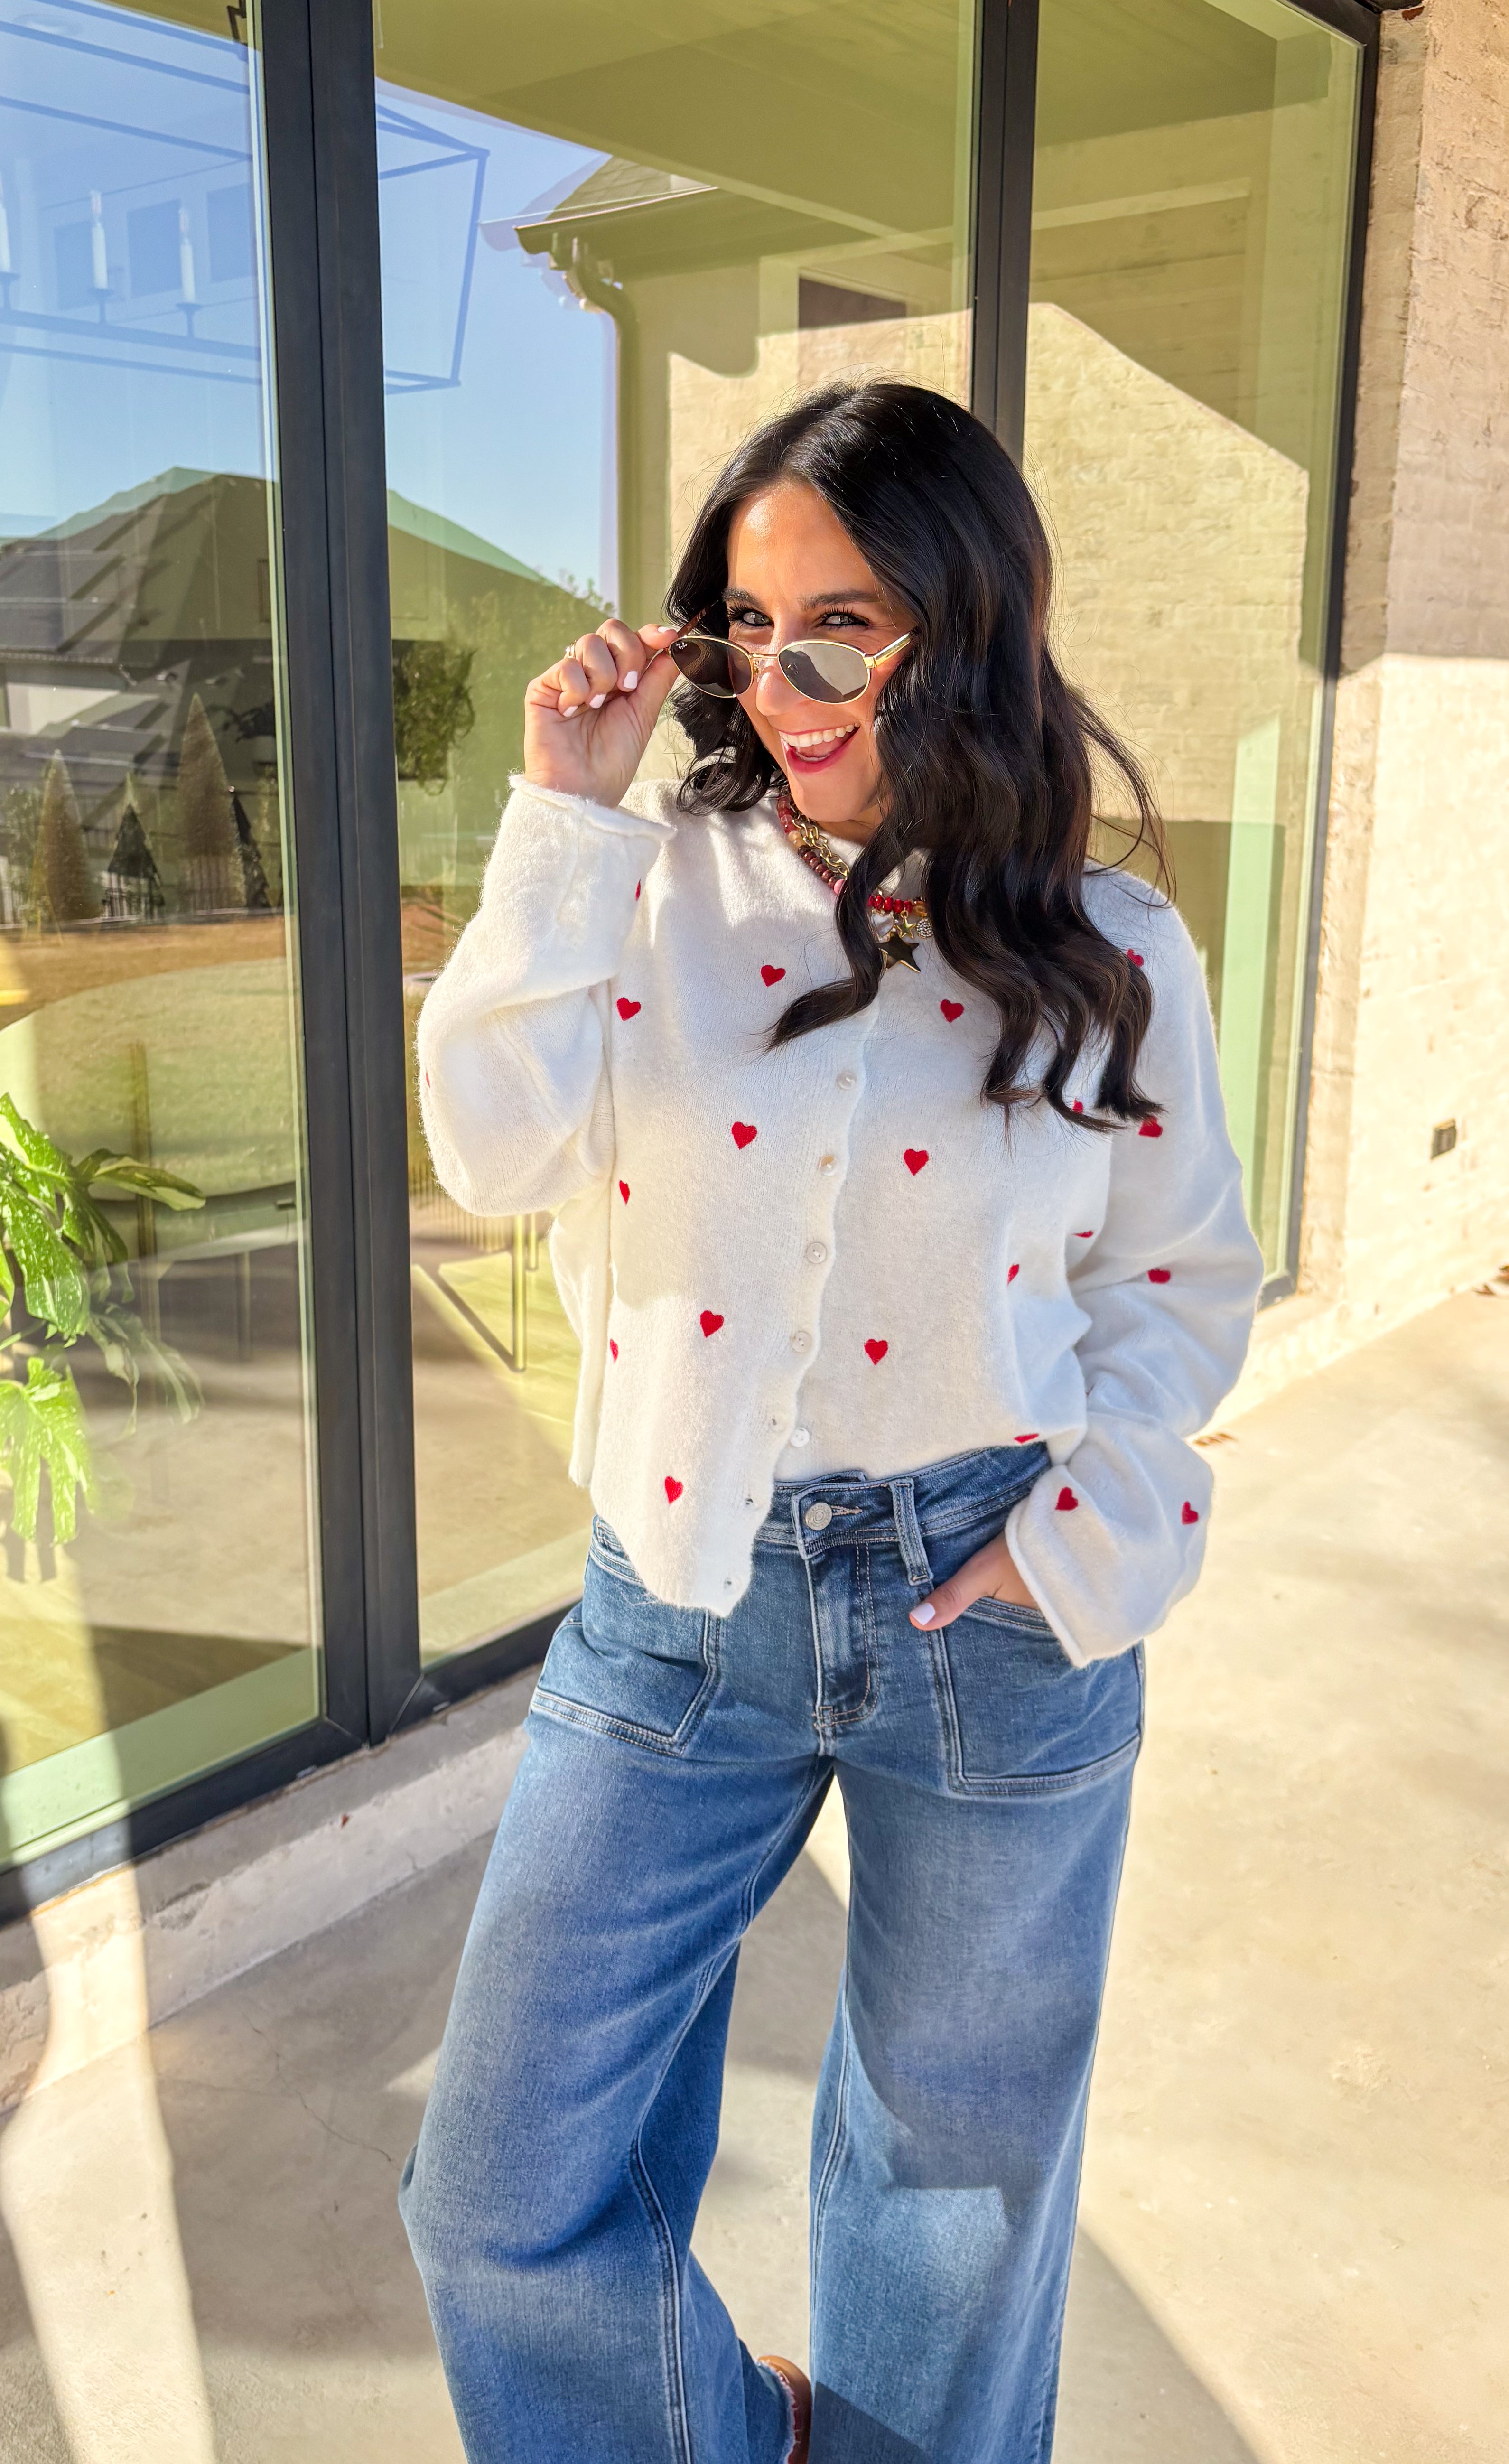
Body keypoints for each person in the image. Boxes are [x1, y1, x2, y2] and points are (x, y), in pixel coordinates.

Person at [399, 380, 1264, 2464]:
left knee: (951, 2213)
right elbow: (485, 1150)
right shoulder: (640, 883)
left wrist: (1082, 1539)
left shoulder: (1113, 942)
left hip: (993, 1599)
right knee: (503, 2196)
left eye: (840, 626)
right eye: (748, 625)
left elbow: (1174, 1292)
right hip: (676, 1605)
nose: (782, 683)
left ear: (965, 622)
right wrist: (562, 820)